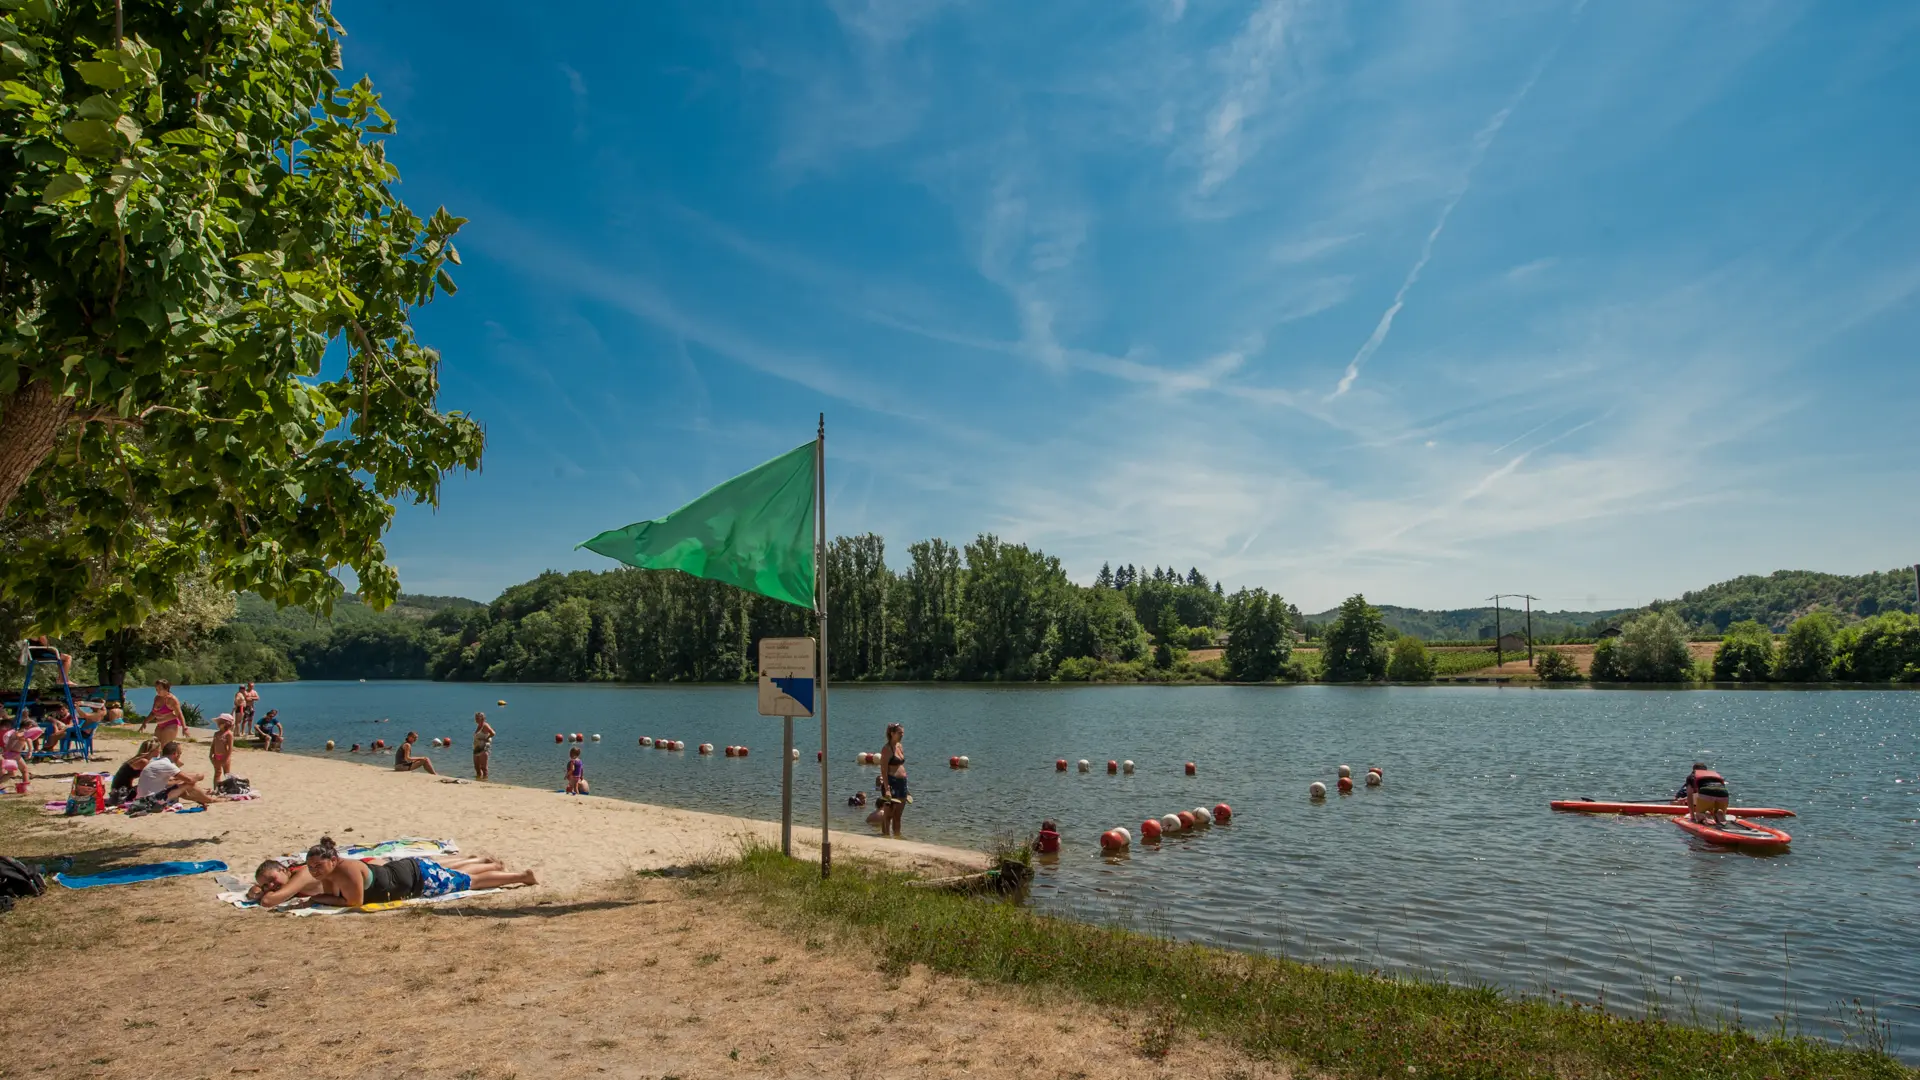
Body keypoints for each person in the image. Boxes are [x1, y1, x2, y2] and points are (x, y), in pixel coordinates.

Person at [251, 837, 535, 908]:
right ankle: (491, 864)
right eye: (267, 885)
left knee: (469, 883)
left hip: (413, 878)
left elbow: (354, 902)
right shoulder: (323, 875)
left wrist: (313, 900)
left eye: (271, 881)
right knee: (452, 872)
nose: (271, 887)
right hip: (404, 872)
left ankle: (522, 877)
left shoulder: (306, 875)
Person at [135, 742, 216, 807]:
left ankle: (204, 798)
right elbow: (190, 780)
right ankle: (210, 800)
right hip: (152, 799)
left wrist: (181, 779)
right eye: (180, 754)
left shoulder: (155, 761)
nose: (180, 756)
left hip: (141, 797)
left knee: (181, 785)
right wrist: (198, 777)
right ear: (175, 754)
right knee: (189, 784)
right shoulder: (167, 765)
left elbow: (169, 782)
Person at [877, 722, 907, 838]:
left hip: (902, 783)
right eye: (899, 733)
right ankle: (886, 837)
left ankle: (897, 837)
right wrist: (887, 788)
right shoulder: (886, 749)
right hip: (891, 782)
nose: (902, 735)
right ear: (892, 733)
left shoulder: (899, 746)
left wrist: (906, 787)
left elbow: (900, 766)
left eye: (903, 733)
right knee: (888, 815)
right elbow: (883, 770)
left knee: (898, 815)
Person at [209, 714, 235, 789]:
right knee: (217, 773)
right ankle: (216, 789)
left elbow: (230, 748)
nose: (218, 724)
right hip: (216, 756)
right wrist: (211, 754)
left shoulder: (229, 734)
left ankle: (229, 788)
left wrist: (226, 758)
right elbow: (213, 745)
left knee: (227, 773)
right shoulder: (216, 733)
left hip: (225, 756)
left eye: (220, 722)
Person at [471, 711, 495, 781]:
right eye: (475, 718)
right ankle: (478, 780)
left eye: (477, 718)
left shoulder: (485, 725)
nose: (476, 719)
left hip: (483, 748)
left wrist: (486, 739)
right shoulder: (478, 726)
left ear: (482, 718)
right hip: (476, 748)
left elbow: (493, 733)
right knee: (476, 767)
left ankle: (485, 781)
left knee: (483, 767)